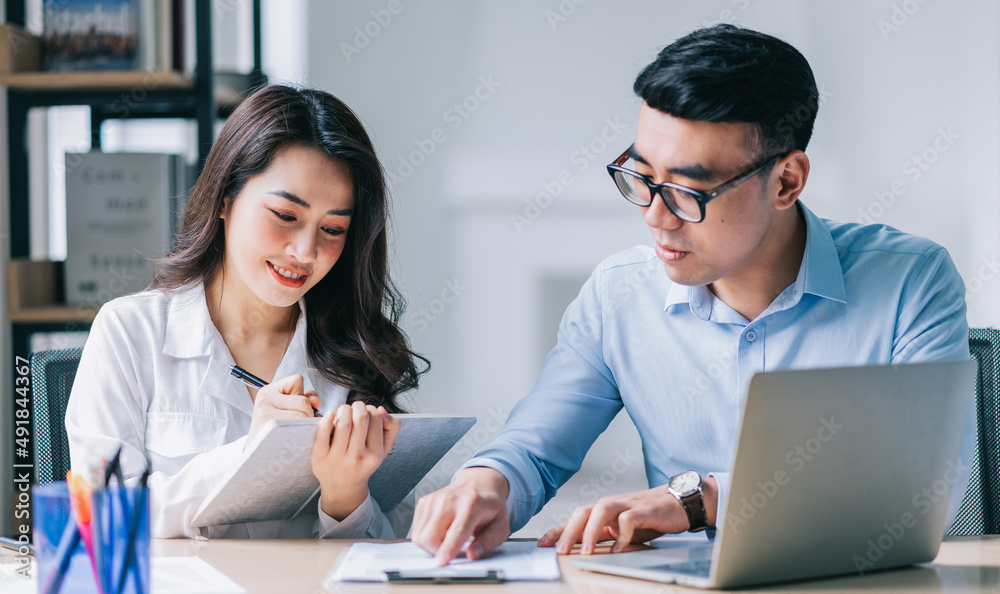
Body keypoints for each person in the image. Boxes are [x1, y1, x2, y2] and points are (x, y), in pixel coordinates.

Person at [410, 24, 973, 564]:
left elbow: (925, 491)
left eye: (685, 191)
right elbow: (534, 447)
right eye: (642, 176)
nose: (656, 216)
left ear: (786, 181)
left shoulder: (911, 282)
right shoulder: (618, 295)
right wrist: (486, 485)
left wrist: (699, 498)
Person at [66, 84, 427, 539]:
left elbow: (397, 546)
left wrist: (345, 500)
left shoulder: (355, 350)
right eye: (285, 215)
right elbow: (103, 519)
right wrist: (248, 456)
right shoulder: (130, 332)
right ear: (224, 198)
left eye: (333, 229)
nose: (305, 251)